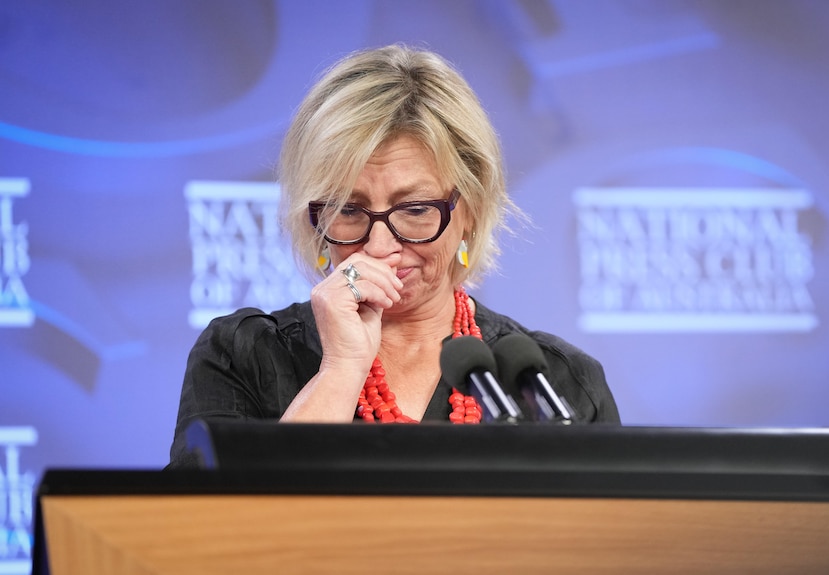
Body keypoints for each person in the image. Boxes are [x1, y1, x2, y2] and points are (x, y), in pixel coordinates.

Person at [168, 44, 619, 468]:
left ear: (472, 211)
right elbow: (210, 535)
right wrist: (342, 368)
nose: (380, 246)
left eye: (417, 210)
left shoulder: (553, 381)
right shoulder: (241, 355)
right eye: (348, 209)